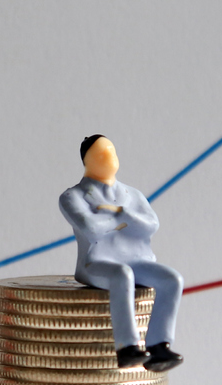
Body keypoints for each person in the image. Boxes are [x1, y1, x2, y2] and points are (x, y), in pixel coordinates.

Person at [59, 135, 184, 372]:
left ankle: (159, 345)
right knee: (122, 275)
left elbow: (151, 225)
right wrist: (123, 221)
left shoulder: (132, 195)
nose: (109, 157)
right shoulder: (72, 197)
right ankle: (127, 347)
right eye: (101, 154)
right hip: (97, 263)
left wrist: (121, 213)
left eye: (112, 151)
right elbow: (91, 229)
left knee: (172, 279)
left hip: (137, 259)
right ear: (86, 161)